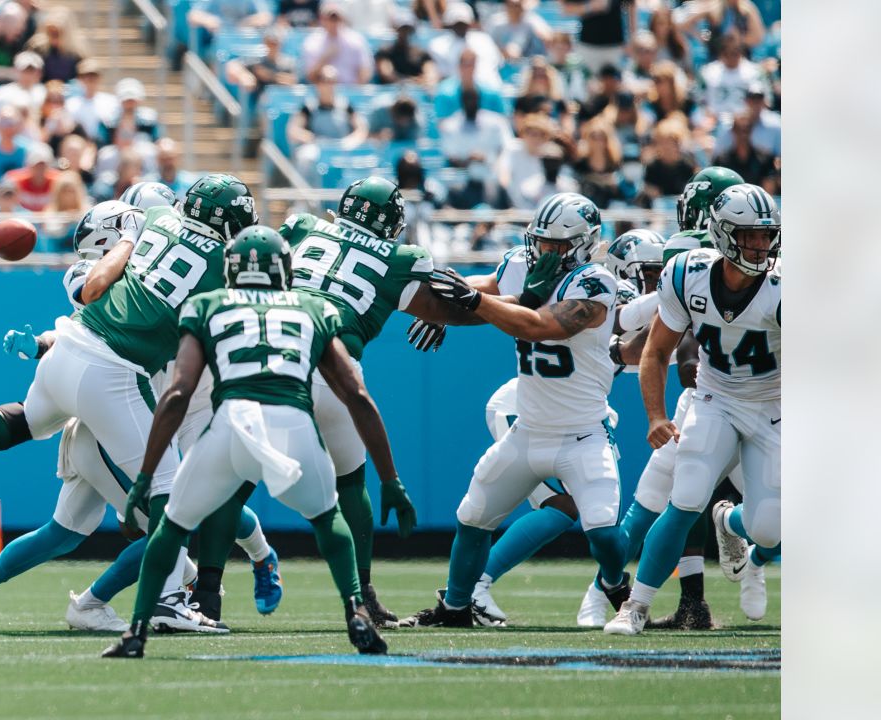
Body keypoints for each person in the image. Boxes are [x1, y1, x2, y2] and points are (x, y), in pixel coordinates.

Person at [0, 176, 260, 632]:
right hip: (112, 381)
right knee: (177, 499)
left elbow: (103, 284)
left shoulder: (154, 227)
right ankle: (156, 602)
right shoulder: (217, 261)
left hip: (70, 353)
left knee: (54, 496)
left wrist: (130, 239)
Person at [101, 225, 407, 659]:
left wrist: (145, 476)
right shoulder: (312, 306)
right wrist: (390, 478)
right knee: (327, 517)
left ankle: (135, 632)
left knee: (171, 526)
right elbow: (357, 396)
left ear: (230, 268)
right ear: (285, 269)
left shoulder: (208, 305)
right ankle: (355, 610)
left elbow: (177, 394)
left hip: (233, 424)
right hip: (294, 425)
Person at [400, 193, 631, 629]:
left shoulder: (596, 282)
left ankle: (618, 587)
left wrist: (470, 301)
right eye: (540, 241)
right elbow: (482, 293)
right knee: (472, 516)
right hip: (527, 430)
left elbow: (540, 325)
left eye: (557, 245)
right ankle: (455, 608)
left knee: (601, 530)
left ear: (584, 244)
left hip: (583, 433)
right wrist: (444, 311)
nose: (545, 252)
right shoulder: (521, 264)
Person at [261, 177, 471, 628]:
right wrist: (442, 318)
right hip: (336, 372)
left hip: (268, 360)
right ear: (394, 222)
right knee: (351, 484)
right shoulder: (404, 258)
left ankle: (203, 591)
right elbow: (448, 304)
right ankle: (363, 596)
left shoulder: (301, 227)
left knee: (229, 478)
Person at [605, 183, 781, 636]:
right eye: (750, 235)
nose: (761, 245)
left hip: (772, 404)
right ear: (722, 234)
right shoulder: (688, 274)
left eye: (766, 235)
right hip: (715, 397)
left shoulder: (784, 288)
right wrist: (656, 416)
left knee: (770, 529)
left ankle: (729, 520)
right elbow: (656, 350)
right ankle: (635, 607)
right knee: (684, 499)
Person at [286, 66, 369, 181]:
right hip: (317, 148)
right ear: (318, 84)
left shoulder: (345, 106)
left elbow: (361, 129)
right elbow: (293, 130)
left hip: (342, 148)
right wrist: (312, 138)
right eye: (324, 81)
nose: (329, 85)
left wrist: (350, 141)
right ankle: (304, 197)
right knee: (305, 157)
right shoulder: (309, 107)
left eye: (332, 81)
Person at [428, 2, 503, 88]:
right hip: (457, 93)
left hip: (488, 89)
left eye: (463, 23)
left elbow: (498, 63)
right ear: (450, 24)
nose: (461, 27)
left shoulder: (484, 39)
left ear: (470, 23)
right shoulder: (438, 45)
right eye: (457, 24)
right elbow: (444, 75)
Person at [301, 3, 373, 85]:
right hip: (323, 94)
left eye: (336, 18)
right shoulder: (312, 42)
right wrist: (324, 58)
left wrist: (353, 92)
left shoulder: (356, 40)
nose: (334, 22)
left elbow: (365, 71)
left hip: (352, 90)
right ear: (322, 19)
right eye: (330, 18)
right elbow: (309, 77)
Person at [698, 33, 763, 120]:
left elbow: (765, 100)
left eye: (734, 53)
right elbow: (699, 99)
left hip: (746, 121)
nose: (731, 57)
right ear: (721, 54)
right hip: (714, 120)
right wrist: (708, 114)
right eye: (727, 53)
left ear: (741, 53)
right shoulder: (707, 72)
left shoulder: (754, 72)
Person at [560, 0, 637, 73]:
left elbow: (631, 6)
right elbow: (566, 10)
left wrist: (632, 40)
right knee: (587, 83)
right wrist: (590, 7)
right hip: (587, 47)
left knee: (616, 84)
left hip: (616, 47)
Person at [225, 27, 298, 101]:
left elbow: (291, 81)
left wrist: (269, 75)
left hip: (283, 101)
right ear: (265, 42)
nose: (273, 46)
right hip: (262, 104)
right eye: (270, 42)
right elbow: (233, 64)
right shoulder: (258, 60)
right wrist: (244, 75)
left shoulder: (288, 62)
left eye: (275, 43)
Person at [374, 9, 439, 87]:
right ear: (396, 29)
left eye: (408, 29)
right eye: (402, 29)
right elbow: (386, 73)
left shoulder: (421, 53)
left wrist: (423, 81)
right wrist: (407, 83)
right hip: (392, 94)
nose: (405, 32)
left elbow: (430, 73)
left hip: (417, 93)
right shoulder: (385, 51)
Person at [485, 0, 552, 62]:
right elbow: (486, 43)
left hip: (527, 60)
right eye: (511, 5)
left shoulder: (530, 20)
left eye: (517, 6)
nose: (514, 9)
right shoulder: (495, 21)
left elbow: (548, 36)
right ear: (506, 6)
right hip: (498, 59)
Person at [66, 59, 119, 139]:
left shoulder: (112, 102)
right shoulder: (70, 104)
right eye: (86, 76)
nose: (90, 80)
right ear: (79, 79)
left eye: (93, 76)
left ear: (99, 78)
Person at [5, 145, 59, 212]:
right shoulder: (15, 181)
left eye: (43, 166)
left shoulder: (58, 182)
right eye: (36, 166)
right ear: (29, 165)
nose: (40, 170)